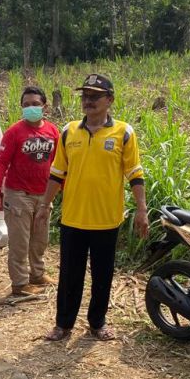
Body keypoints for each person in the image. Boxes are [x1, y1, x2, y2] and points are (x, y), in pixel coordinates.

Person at [37, 74, 148, 342]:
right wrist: (45, 203)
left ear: (110, 100)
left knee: (102, 276)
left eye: (95, 96)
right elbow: (57, 172)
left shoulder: (123, 133)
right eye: (85, 96)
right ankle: (63, 324)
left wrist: (142, 209)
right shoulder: (69, 131)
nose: (88, 101)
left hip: (106, 220)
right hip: (73, 218)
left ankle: (97, 323)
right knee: (69, 276)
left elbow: (135, 172)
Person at [0, 85, 60, 296]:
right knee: (20, 242)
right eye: (26, 105)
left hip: (44, 195)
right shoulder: (14, 132)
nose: (31, 108)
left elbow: (58, 163)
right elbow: (1, 162)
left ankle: (37, 274)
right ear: (21, 107)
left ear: (44, 107)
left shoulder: (52, 131)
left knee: (40, 239)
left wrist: (62, 188)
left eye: (35, 104)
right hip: (18, 195)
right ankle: (20, 284)